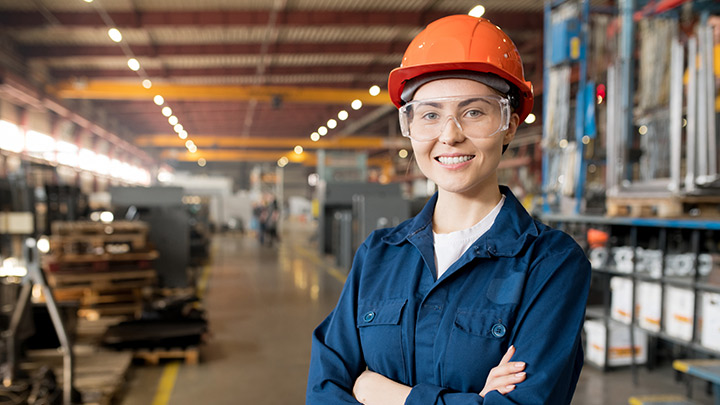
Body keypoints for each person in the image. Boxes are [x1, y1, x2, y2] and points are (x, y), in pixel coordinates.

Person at [307, 14, 591, 405]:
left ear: (509, 124)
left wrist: (384, 393)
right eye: (429, 114)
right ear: (410, 127)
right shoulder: (379, 255)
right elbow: (325, 388)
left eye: (474, 112)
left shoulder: (550, 264)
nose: (450, 134)